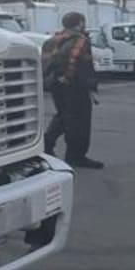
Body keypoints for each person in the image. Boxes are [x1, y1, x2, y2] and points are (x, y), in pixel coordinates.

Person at [42, 11, 104, 168]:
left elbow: (45, 63)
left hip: (55, 85)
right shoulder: (80, 40)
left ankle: (46, 145)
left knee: (63, 116)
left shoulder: (51, 40)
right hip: (74, 86)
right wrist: (69, 78)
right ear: (80, 23)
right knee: (79, 122)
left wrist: (53, 80)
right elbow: (72, 60)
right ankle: (76, 156)